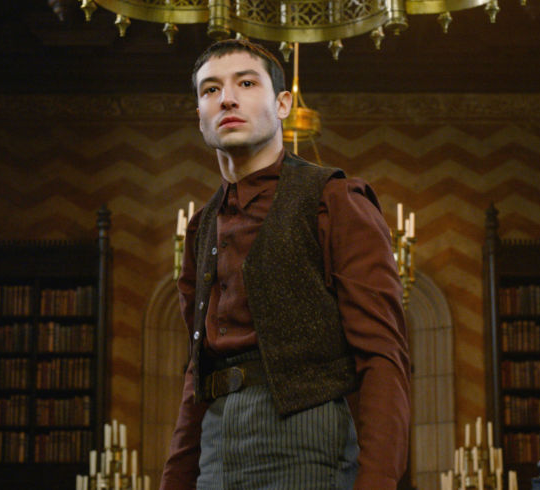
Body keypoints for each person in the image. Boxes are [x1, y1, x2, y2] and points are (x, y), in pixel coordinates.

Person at [160, 39, 410, 490]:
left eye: (246, 83)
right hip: (215, 448)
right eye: (211, 89)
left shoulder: (334, 200)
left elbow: (382, 356)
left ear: (282, 104)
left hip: (307, 443)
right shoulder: (202, 226)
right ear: (199, 115)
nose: (227, 98)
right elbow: (197, 371)